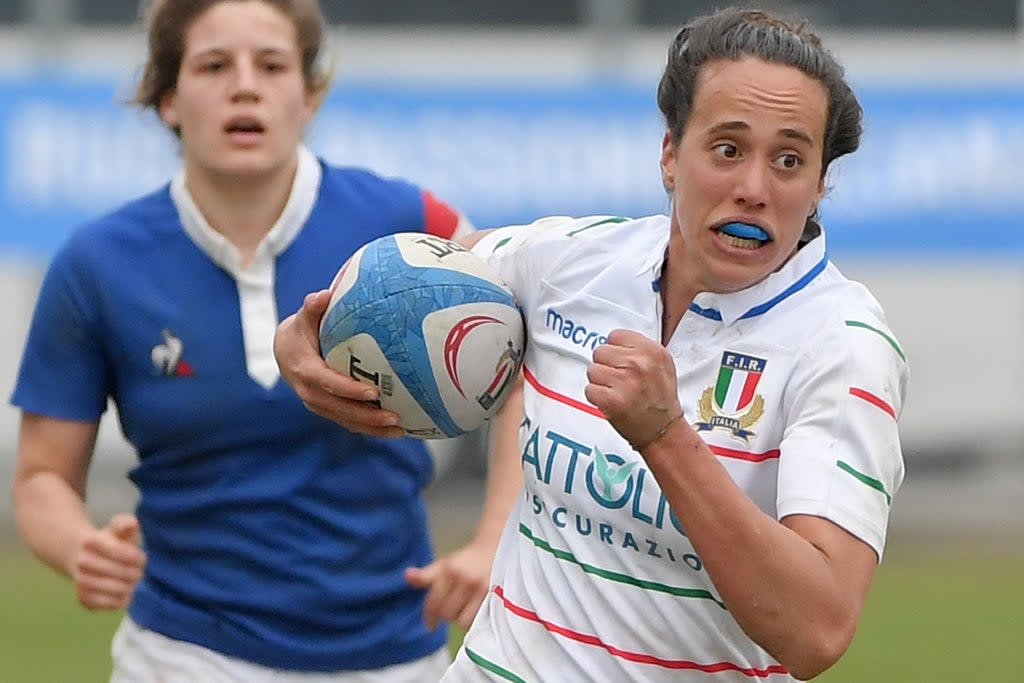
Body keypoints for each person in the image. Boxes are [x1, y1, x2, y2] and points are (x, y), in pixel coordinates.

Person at [273, 7, 909, 682]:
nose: (754, 188)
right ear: (670, 154)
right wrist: (307, 341)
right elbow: (409, 286)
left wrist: (665, 437)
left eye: (788, 159)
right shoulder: (570, 260)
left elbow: (818, 628)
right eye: (727, 149)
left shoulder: (843, 346)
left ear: (818, 186)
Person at [9, 1, 519, 681]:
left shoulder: (406, 227)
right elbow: (42, 477)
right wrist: (81, 547)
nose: (244, 84)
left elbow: (523, 358)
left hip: (396, 652)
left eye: (271, 65)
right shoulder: (97, 262)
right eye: (214, 64)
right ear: (167, 98)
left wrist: (493, 540)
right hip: (181, 653)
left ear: (307, 97)